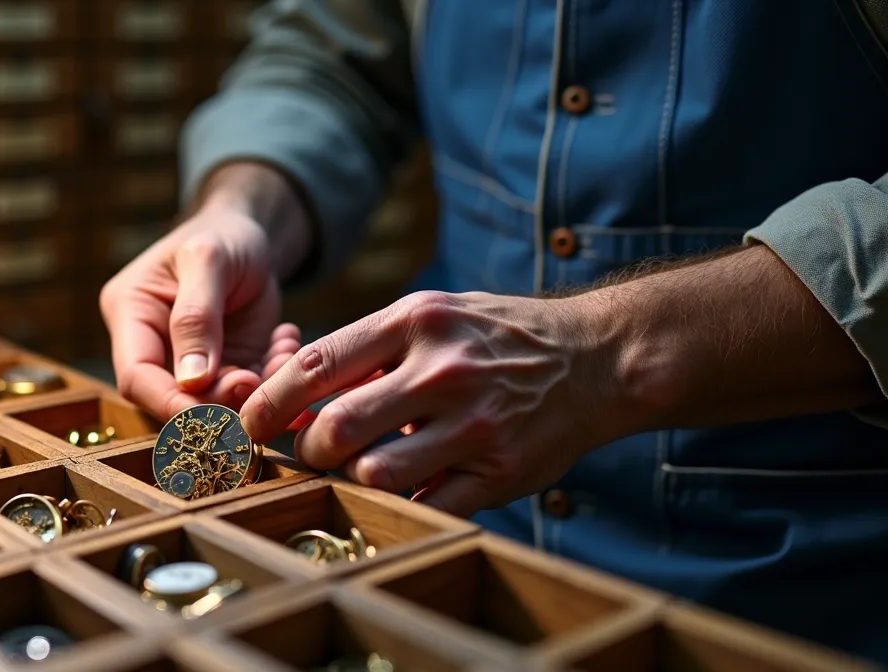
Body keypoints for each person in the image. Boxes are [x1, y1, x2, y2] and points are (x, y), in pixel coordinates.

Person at [98, 0, 888, 661]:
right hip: (443, 518)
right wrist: (244, 210)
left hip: (807, 578)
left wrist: (604, 351)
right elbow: (331, 53)